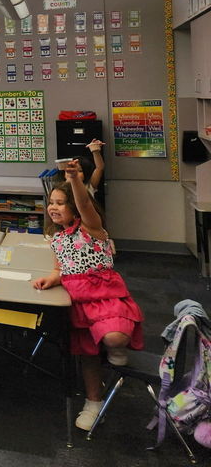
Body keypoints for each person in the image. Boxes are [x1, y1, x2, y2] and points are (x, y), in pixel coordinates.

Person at [31, 158, 143, 431]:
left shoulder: (92, 228)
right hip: (77, 297)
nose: (53, 207)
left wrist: (75, 181)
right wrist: (51, 278)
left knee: (113, 336)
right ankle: (93, 401)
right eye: (52, 203)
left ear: (74, 208)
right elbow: (61, 268)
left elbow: (85, 205)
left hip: (104, 293)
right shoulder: (57, 239)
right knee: (87, 353)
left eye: (60, 203)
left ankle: (113, 346)